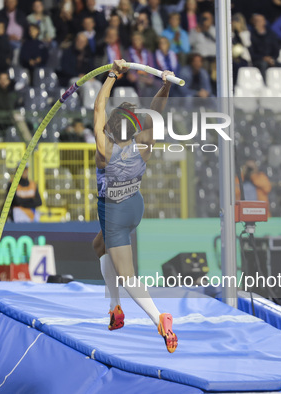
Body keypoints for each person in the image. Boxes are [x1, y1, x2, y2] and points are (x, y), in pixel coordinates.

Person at [91, 59, 178, 353]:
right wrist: (165, 84)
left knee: (127, 275)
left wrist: (112, 76)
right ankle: (115, 309)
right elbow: (156, 111)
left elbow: (97, 108)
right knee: (98, 246)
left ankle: (159, 318)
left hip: (113, 211)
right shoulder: (143, 142)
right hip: (134, 206)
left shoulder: (106, 150)